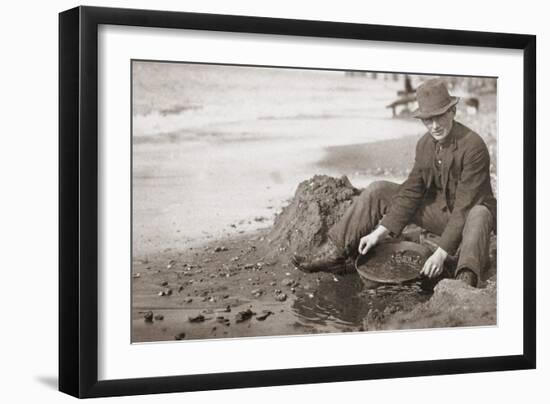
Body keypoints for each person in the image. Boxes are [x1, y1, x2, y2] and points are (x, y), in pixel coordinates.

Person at [292, 79, 496, 287]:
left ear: (453, 111)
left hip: (471, 222)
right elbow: (412, 191)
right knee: (378, 189)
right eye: (428, 119)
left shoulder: (473, 147)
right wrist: (379, 232)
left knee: (479, 212)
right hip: (441, 216)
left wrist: (440, 254)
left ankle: (465, 278)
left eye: (440, 116)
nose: (434, 126)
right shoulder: (425, 144)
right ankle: (335, 251)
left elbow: (464, 208)